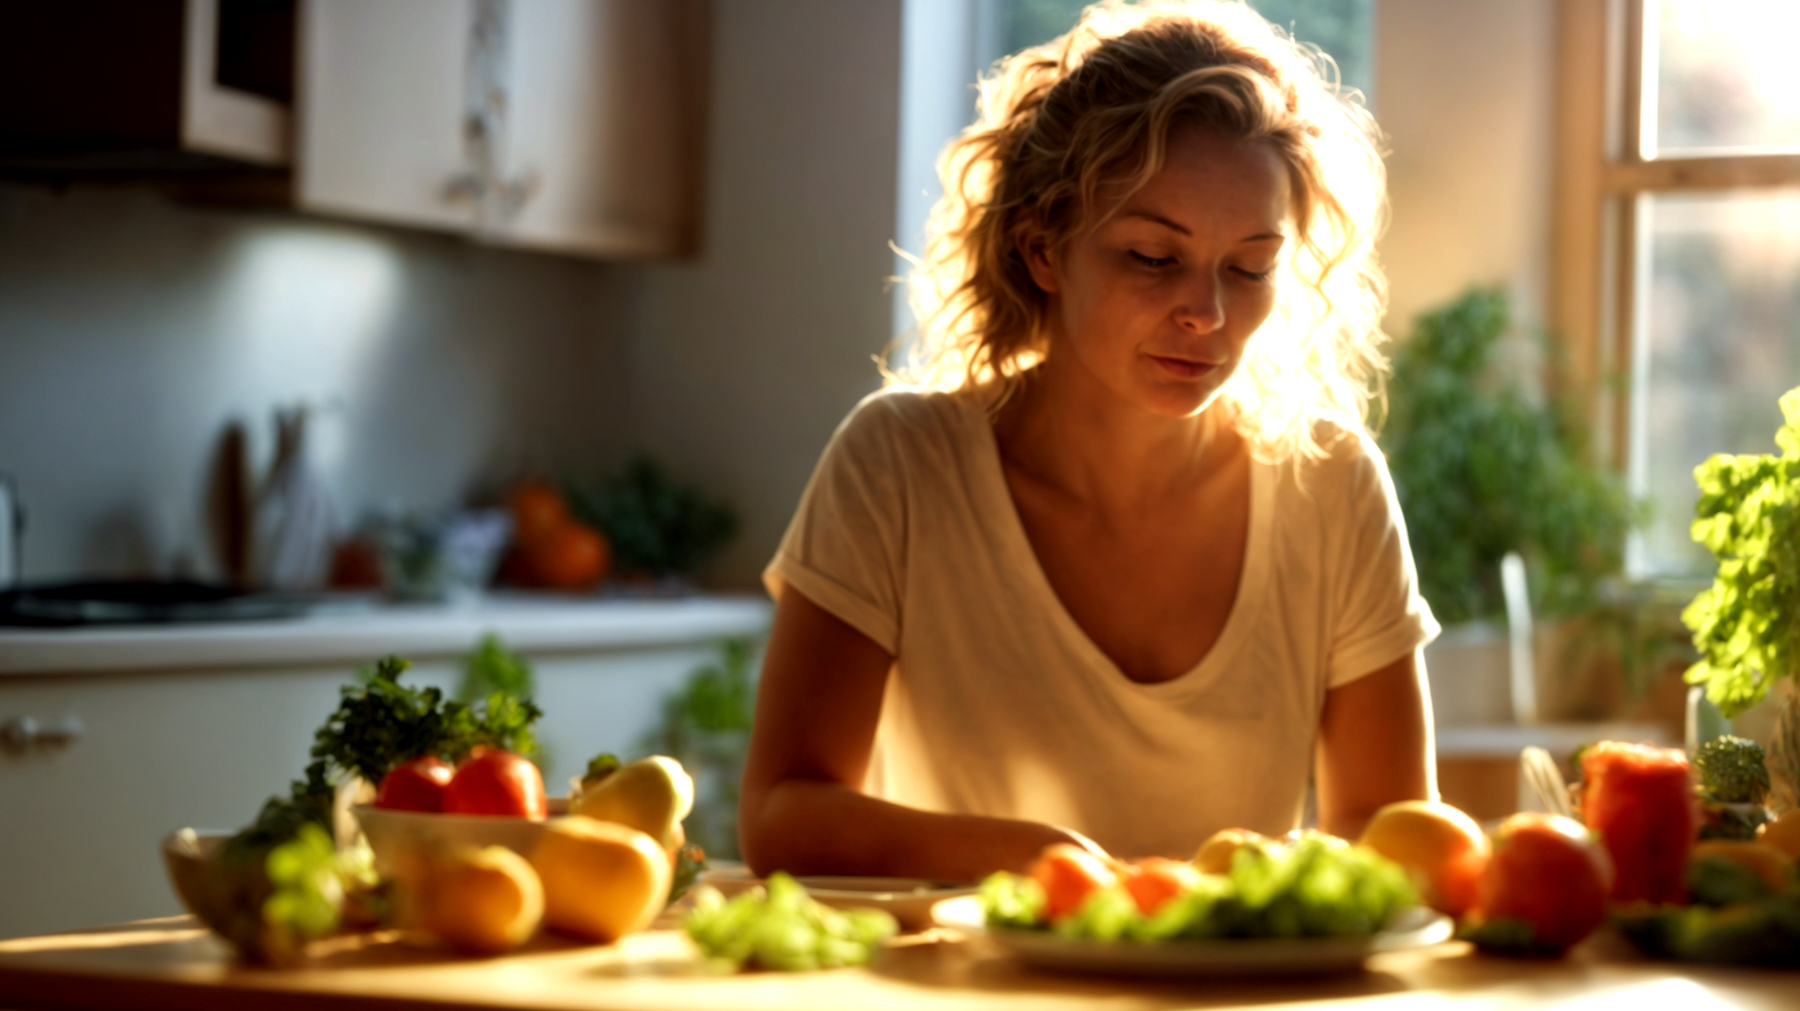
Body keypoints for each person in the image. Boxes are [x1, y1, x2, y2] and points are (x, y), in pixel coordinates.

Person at [739, 0, 1438, 883]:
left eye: (1251, 266)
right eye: (1153, 257)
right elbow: (781, 810)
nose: (1208, 314)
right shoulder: (900, 463)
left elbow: (1389, 829)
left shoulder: (1333, 483)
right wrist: (1042, 862)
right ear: (1042, 250)